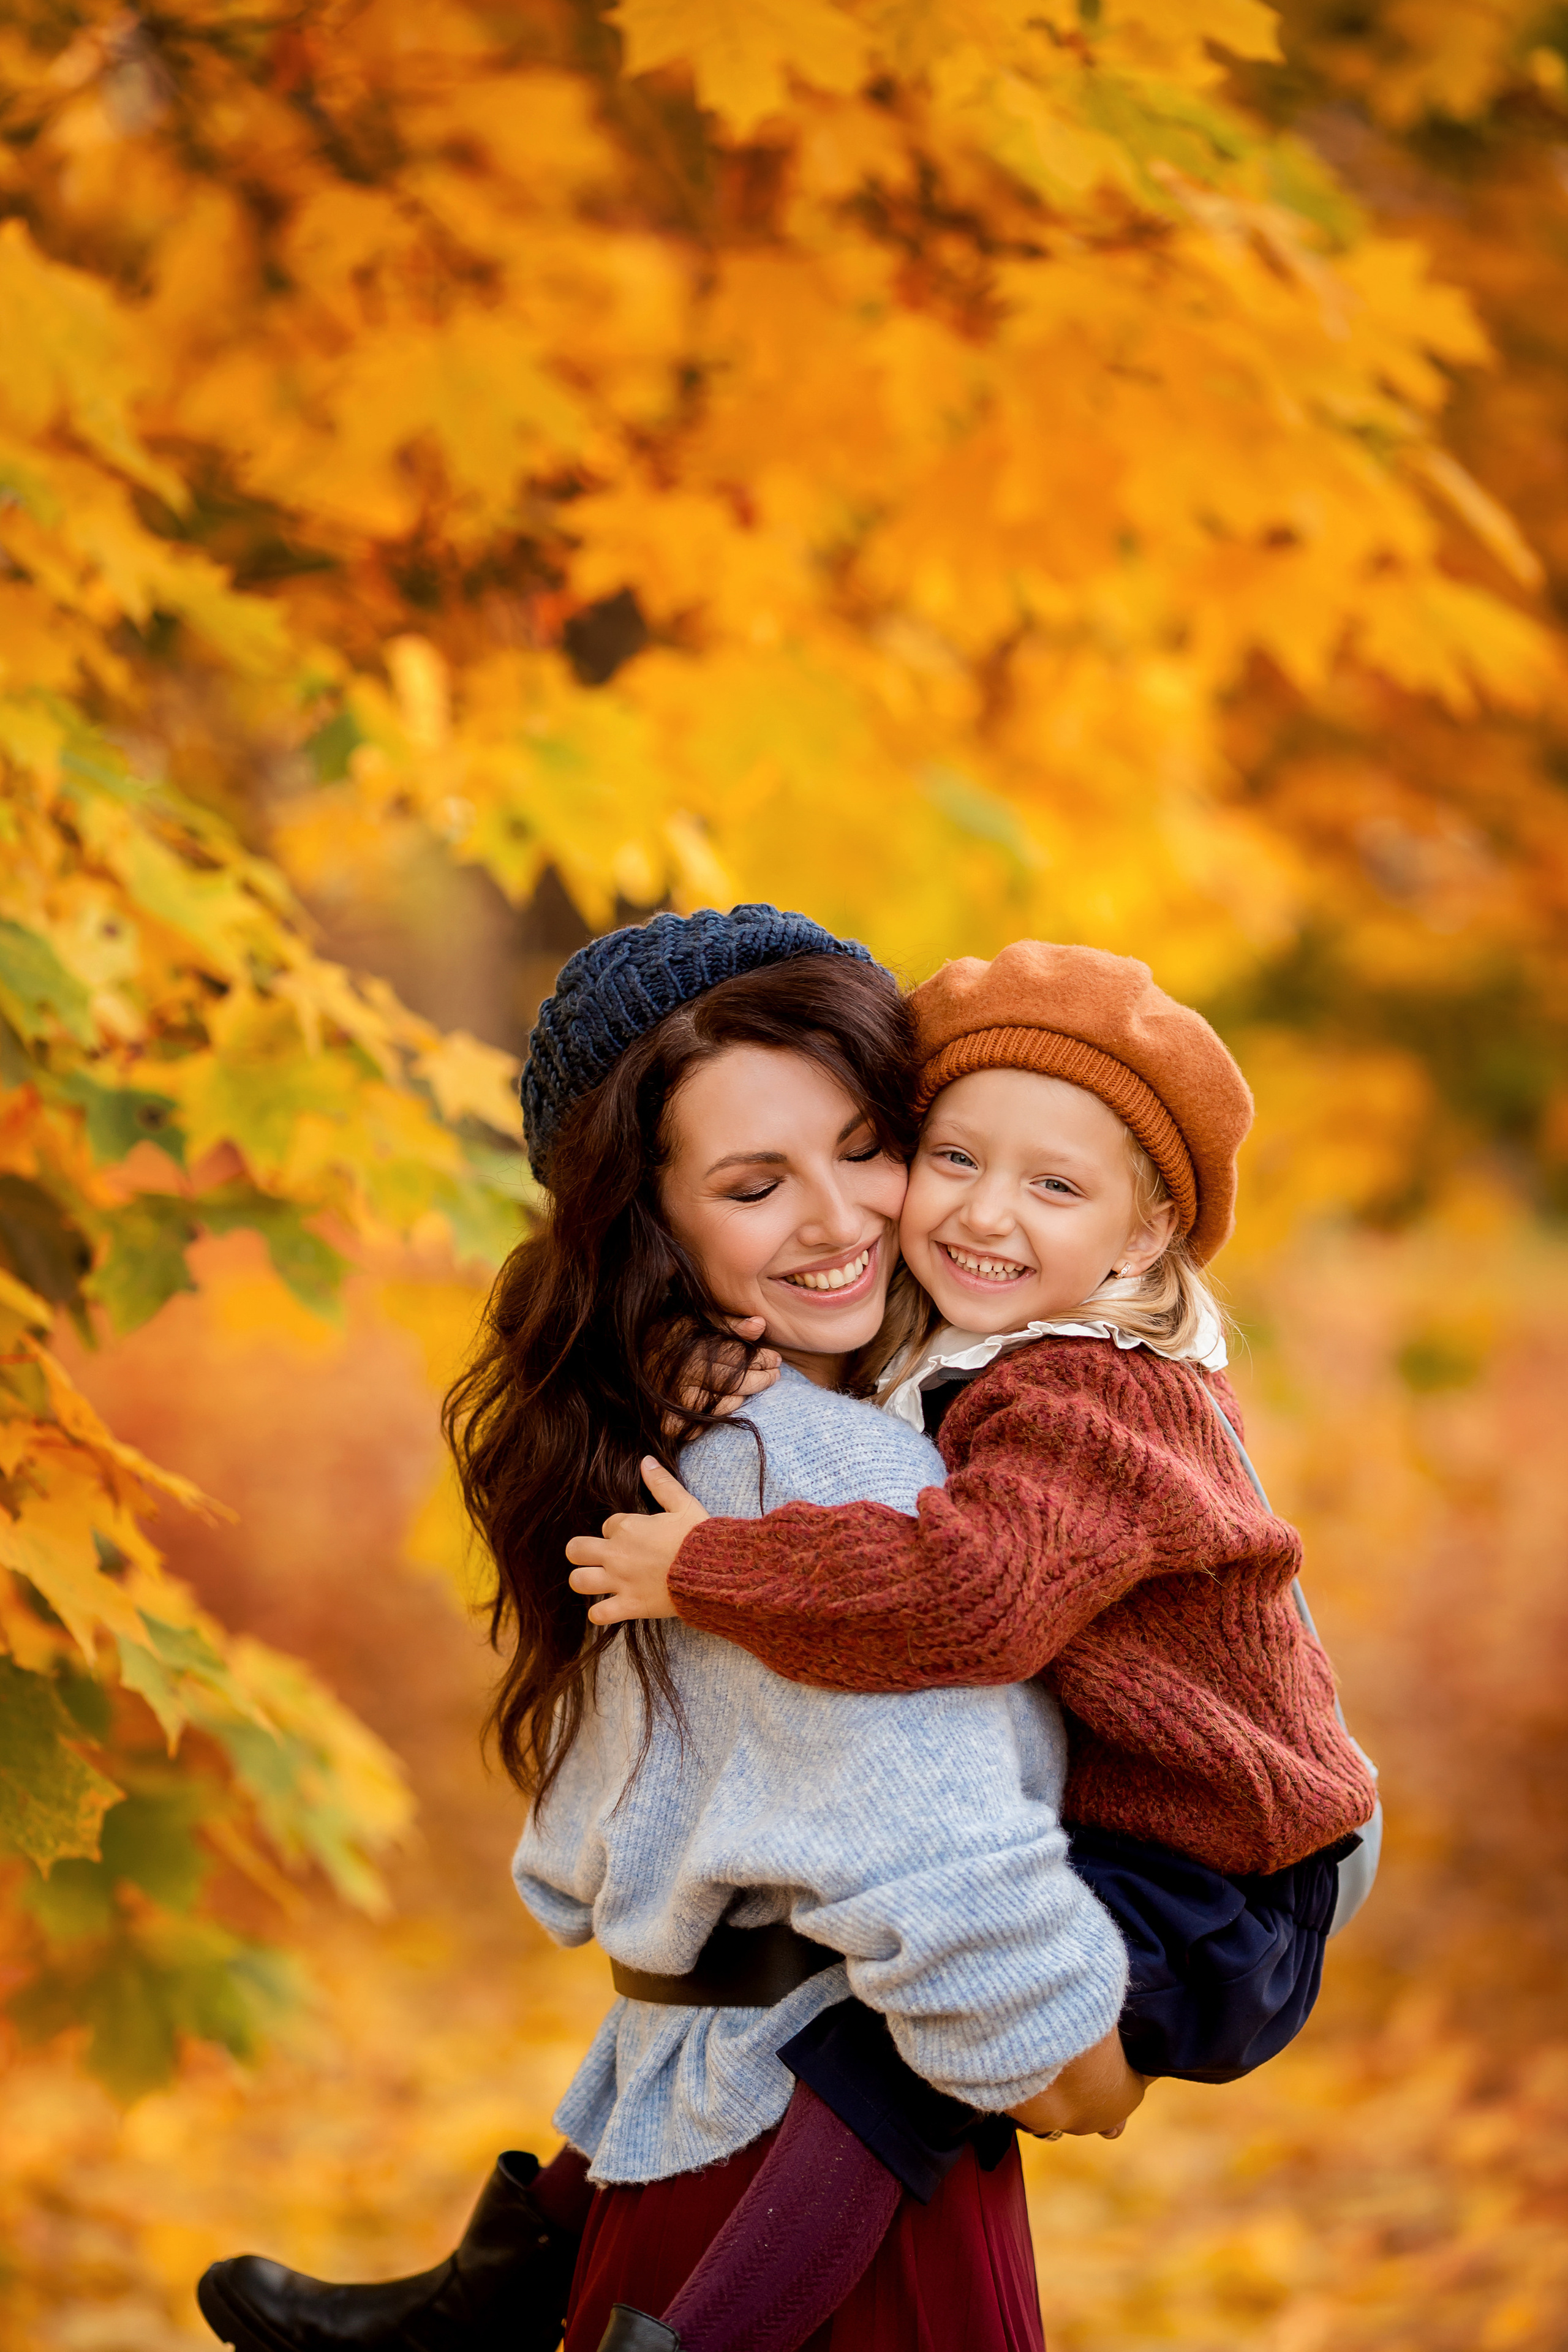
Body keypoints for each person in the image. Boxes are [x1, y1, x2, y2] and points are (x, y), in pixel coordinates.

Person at [198, 910, 1135, 2352]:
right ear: (652, 1220)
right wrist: (1079, 2053)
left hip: (689, 2136)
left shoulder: (682, 1434)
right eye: (757, 1184)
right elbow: (944, 1866)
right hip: (840, 2198)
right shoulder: (821, 1477)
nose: (844, 1218)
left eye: (868, 1144)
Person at [565, 941, 1382, 2340]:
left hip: (1221, 1880)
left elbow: (968, 1597)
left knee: (862, 2063)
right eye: (950, 1158)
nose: (980, 1215)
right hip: (1161, 1852)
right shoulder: (960, 1369)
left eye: (1052, 1186)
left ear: (1138, 1241)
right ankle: (516, 2264)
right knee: (856, 2050)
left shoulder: (1080, 1394)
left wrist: (706, 1565)